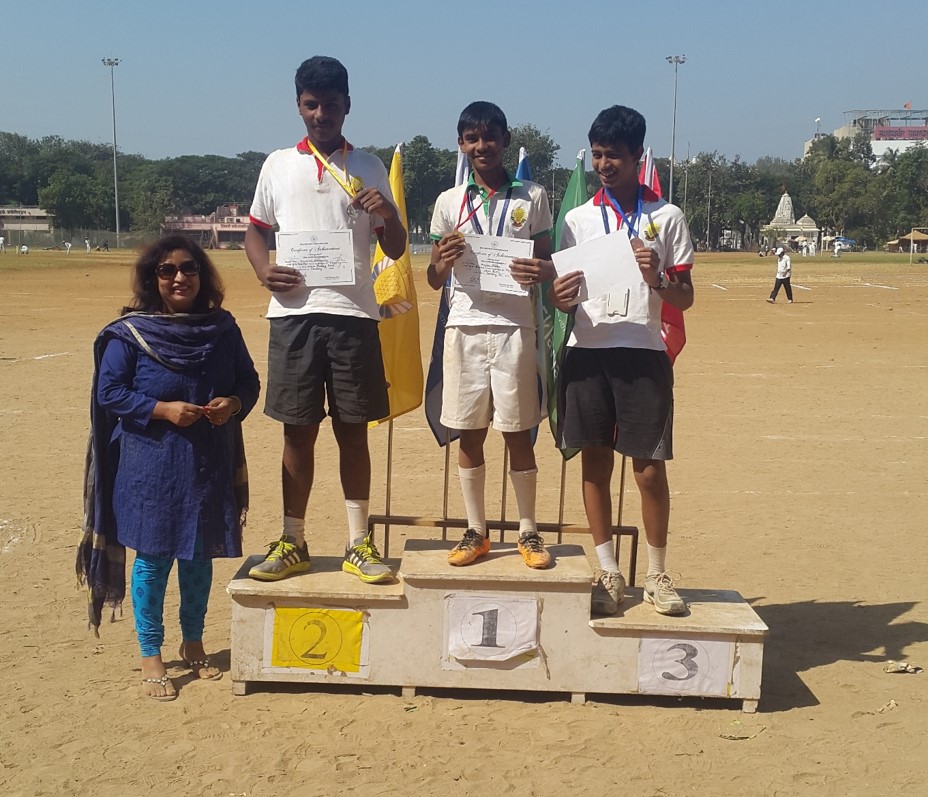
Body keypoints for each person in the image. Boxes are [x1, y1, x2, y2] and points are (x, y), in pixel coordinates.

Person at [244, 56, 406, 584]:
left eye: (331, 105)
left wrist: (386, 213)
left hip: (354, 316)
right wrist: (265, 270)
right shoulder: (276, 165)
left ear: (347, 107)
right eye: (311, 105)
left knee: (353, 432)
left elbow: (397, 246)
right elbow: (255, 232)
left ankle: (359, 541)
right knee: (297, 433)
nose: (321, 114)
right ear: (299, 105)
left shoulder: (369, 166)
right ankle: (294, 538)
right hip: (293, 317)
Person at [78, 234, 260, 701]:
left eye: (188, 268)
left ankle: (193, 642)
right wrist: (162, 409)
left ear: (202, 275)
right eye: (167, 270)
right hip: (150, 466)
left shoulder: (222, 328)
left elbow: (248, 381)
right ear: (151, 279)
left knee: (198, 560)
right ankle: (151, 654)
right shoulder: (132, 332)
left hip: (206, 461)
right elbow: (110, 392)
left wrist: (233, 403)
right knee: (155, 560)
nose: (179, 277)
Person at [551, 105, 695, 616]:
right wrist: (560, 296)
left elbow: (685, 298)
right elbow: (560, 292)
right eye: (598, 154)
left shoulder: (667, 217)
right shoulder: (577, 219)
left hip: (643, 354)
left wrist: (657, 276)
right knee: (594, 463)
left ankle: (656, 573)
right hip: (587, 354)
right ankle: (608, 570)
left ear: (638, 156)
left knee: (649, 470)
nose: (604, 163)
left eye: (615, 154)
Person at [427, 101, 554, 569]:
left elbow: (547, 263)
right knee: (469, 434)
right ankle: (476, 531)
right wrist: (442, 259)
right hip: (464, 325)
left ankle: (528, 532)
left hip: (515, 327)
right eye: (472, 138)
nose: (482, 146)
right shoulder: (448, 202)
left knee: (519, 432)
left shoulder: (532, 197)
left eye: (490, 137)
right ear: (461, 144)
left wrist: (534, 270)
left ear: (504, 139)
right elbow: (434, 277)